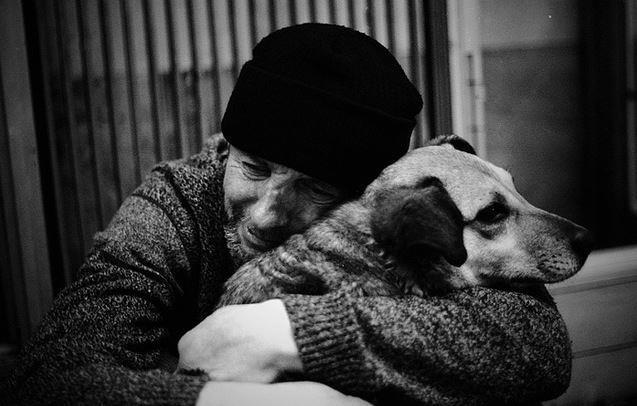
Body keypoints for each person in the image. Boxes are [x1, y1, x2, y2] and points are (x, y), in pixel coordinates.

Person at [2, 23, 571, 405]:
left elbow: (538, 347)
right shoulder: (176, 205)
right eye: (252, 168)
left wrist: (289, 335)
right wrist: (243, 401)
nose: (266, 215)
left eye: (314, 188)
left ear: (370, 194)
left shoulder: (406, 210)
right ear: (229, 147)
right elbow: (48, 378)